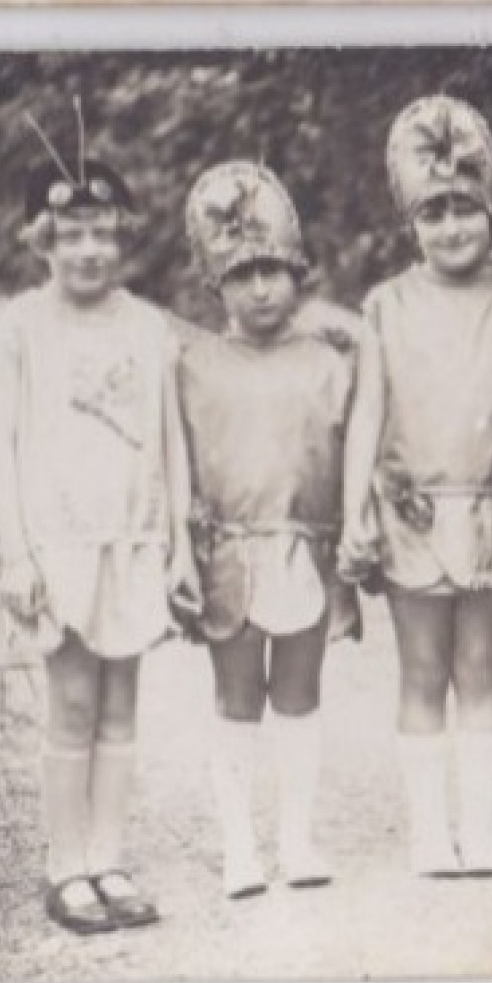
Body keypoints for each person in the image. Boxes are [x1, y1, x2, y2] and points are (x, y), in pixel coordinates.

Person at [340, 95, 492, 879]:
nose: (453, 227)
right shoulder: (386, 305)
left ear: (491, 206)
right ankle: (430, 831)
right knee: (422, 669)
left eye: (465, 208)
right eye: (434, 213)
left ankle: (482, 827)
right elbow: (367, 411)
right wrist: (356, 502)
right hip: (414, 510)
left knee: (481, 668)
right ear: (410, 220)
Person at [0, 127, 197, 934]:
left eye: (100, 232)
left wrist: (177, 545)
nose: (86, 249)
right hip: (61, 545)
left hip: (132, 540)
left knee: (121, 703)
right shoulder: (20, 327)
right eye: (69, 234)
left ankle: (109, 857)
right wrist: (16, 548)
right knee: (71, 703)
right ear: (42, 243)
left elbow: (172, 443)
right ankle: (64, 865)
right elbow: (1, 442)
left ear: (121, 237)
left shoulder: (149, 327)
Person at [177, 160, 358, 897]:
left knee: (300, 691)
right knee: (236, 696)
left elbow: (350, 447)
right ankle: (239, 846)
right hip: (229, 551)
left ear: (298, 274)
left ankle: (296, 838)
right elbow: (176, 460)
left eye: (274, 272)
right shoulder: (193, 364)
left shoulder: (325, 362)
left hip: (306, 547)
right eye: (241, 273)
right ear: (214, 283)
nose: (259, 289)